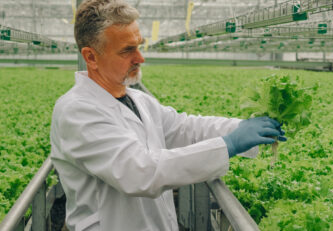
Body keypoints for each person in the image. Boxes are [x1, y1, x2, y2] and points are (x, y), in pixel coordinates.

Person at [50, 0, 285, 230]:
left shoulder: (138, 99)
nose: (140, 58)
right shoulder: (76, 110)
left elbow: (184, 128)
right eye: (127, 51)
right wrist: (229, 144)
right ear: (91, 57)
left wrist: (241, 128)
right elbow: (139, 172)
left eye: (138, 46)